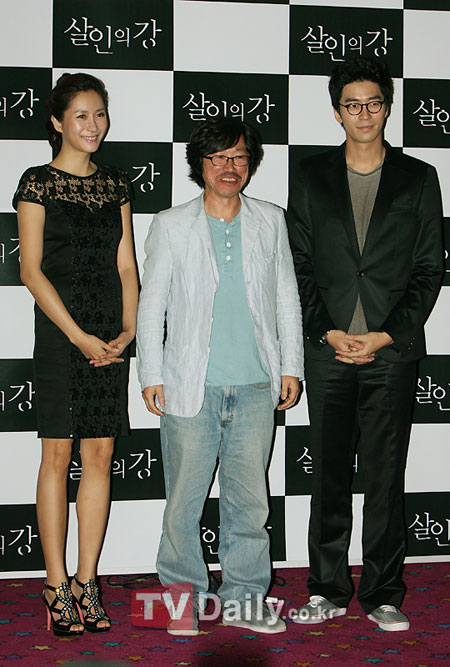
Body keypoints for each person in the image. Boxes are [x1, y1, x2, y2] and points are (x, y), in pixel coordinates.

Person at [286, 56, 443, 631]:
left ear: (388, 107)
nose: (364, 114)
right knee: (328, 476)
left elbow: (429, 270)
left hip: (391, 354)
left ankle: (382, 593)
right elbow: (298, 266)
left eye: (373, 103)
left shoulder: (418, 177)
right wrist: (326, 331)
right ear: (337, 113)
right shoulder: (311, 176)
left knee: (384, 477)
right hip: (328, 353)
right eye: (351, 105)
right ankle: (327, 589)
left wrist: (386, 334)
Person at [137, 117, 303, 635]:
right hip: (190, 386)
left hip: (256, 385)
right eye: (218, 157)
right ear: (200, 164)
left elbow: (286, 298)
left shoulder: (270, 219)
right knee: (183, 503)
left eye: (239, 157)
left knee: (249, 503)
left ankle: (245, 599)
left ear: (250, 164)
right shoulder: (171, 223)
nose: (229, 167)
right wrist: (150, 373)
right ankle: (182, 601)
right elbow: (151, 304)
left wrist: (291, 367)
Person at [13, 73, 138, 636]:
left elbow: (126, 265)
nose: (93, 125)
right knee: (57, 456)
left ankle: (88, 582)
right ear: (57, 122)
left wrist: (128, 329)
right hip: (62, 336)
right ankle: (55, 583)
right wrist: (77, 336)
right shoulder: (36, 182)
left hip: (109, 335)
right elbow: (30, 271)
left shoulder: (116, 184)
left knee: (101, 453)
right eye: (81, 115)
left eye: (100, 114)